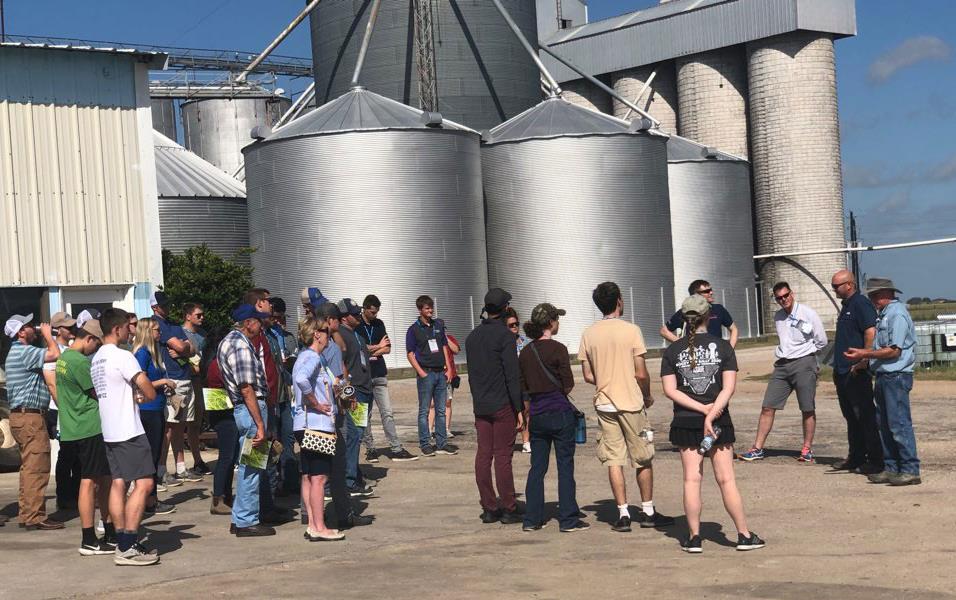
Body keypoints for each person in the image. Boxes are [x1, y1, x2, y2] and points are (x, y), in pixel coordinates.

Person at [661, 295, 765, 553]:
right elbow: (729, 388)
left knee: (691, 480)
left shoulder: (672, 350)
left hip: (685, 421)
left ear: (684, 320)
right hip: (719, 420)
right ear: (709, 316)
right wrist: (711, 413)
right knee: (726, 479)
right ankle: (743, 534)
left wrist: (699, 410)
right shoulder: (723, 347)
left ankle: (694, 537)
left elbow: (670, 391)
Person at [579, 282, 674, 532]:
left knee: (614, 459)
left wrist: (605, 378)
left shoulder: (589, 333)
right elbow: (641, 373)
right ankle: (648, 510)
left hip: (605, 402)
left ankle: (622, 513)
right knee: (642, 456)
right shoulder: (631, 330)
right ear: (619, 301)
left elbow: (588, 374)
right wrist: (647, 396)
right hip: (631, 403)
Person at [90, 308, 161, 565]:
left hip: (110, 430)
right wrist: (144, 393)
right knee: (144, 484)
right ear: (118, 329)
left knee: (118, 483)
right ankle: (128, 544)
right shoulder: (123, 356)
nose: (130, 331)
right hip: (129, 430)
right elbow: (148, 390)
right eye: (127, 327)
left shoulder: (97, 358)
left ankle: (121, 539)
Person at [518, 303, 588, 533]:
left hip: (537, 415)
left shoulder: (526, 352)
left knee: (537, 468)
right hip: (559, 412)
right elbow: (567, 384)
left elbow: (524, 387)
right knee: (565, 466)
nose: (558, 323)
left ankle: (532, 519)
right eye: (557, 319)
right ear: (550, 323)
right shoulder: (558, 349)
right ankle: (568, 519)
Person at [738, 282, 827, 463]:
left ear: (792, 293)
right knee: (767, 406)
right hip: (782, 365)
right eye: (779, 298)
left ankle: (806, 450)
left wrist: (809, 357)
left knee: (807, 408)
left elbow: (822, 340)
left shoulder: (808, 313)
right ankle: (757, 448)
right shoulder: (778, 317)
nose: (783, 300)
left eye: (786, 295)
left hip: (804, 363)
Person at [845, 277, 921, 486]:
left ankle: (909, 469)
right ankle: (891, 467)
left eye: (876, 295)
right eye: (872, 295)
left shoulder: (896, 315)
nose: (873, 299)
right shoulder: (884, 315)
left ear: (888, 294)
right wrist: (865, 362)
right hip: (884, 375)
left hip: (896, 376)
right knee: (885, 425)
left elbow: (893, 351)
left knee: (899, 425)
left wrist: (865, 353)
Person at [54, 319, 118, 554]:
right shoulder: (79, 362)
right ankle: (89, 538)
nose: (96, 350)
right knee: (92, 481)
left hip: (73, 426)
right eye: (96, 344)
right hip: (89, 426)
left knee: (96, 480)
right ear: (89, 338)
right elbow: (97, 393)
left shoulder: (63, 358)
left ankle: (103, 532)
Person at [312, 302, 373, 530]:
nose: (339, 323)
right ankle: (344, 514)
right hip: (331, 413)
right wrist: (349, 398)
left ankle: (313, 519)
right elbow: (340, 379)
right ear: (330, 321)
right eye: (336, 320)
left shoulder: (307, 346)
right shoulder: (331, 347)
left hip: (311, 416)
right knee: (338, 464)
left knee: (312, 472)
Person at [465, 288, 523, 524]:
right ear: (504, 309)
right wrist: (519, 409)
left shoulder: (472, 337)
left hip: (481, 404)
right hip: (502, 404)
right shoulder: (506, 337)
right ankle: (508, 506)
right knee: (502, 456)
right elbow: (512, 374)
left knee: (483, 455)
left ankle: (489, 506)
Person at [217, 303, 275, 537]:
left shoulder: (228, 342)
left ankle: (240, 517)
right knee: (251, 467)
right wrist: (260, 423)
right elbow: (246, 387)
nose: (261, 325)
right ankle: (245, 520)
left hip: (245, 410)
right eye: (258, 321)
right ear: (249, 323)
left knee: (248, 466)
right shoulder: (240, 345)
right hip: (251, 410)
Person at [4, 313, 62, 530]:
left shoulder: (17, 352)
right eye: (29, 326)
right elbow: (55, 354)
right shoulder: (24, 351)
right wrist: (48, 335)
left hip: (23, 417)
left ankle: (27, 513)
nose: (34, 328)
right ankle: (34, 516)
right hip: (29, 417)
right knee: (37, 467)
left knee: (29, 467)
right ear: (21, 332)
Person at [292, 317, 345, 541]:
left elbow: (331, 383)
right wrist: (314, 402)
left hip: (305, 424)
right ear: (317, 334)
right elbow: (302, 380)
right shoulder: (312, 357)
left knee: (309, 475)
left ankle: (313, 524)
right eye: (326, 331)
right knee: (320, 477)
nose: (329, 335)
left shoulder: (311, 358)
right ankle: (319, 527)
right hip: (316, 425)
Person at [242, 288, 288, 523]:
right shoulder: (250, 340)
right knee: (256, 460)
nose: (271, 306)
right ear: (259, 305)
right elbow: (250, 381)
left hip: (270, 402)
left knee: (267, 457)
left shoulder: (268, 333)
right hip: (259, 404)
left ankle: (267, 505)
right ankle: (255, 512)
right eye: (267, 302)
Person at [830, 270, 883, 474]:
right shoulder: (846, 306)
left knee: (865, 416)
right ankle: (856, 456)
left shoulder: (860, 303)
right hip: (843, 371)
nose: (834, 289)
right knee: (851, 417)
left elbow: (870, 331)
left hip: (856, 372)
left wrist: (863, 360)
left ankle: (876, 459)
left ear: (849, 285)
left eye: (836, 286)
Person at [357, 295, 417, 462]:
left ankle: (396, 448)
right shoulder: (357, 325)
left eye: (377, 312)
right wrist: (377, 347)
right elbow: (358, 350)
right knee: (364, 415)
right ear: (365, 309)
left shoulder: (379, 324)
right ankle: (370, 449)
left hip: (379, 374)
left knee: (387, 413)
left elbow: (388, 349)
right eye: (372, 312)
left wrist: (371, 351)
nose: (375, 315)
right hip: (363, 376)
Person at [150, 291, 201, 485]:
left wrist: (183, 349)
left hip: (184, 378)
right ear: (155, 307)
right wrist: (183, 349)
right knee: (170, 427)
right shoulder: (158, 324)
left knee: (180, 426)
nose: (167, 307)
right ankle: (162, 470)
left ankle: (180, 467)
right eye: (163, 305)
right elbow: (180, 347)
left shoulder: (172, 325)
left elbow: (190, 347)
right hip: (172, 380)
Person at [131, 318, 176, 516]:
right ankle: (149, 499)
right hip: (147, 409)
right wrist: (163, 381)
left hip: (156, 407)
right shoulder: (142, 353)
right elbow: (140, 380)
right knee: (150, 455)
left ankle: (151, 497)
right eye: (157, 330)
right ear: (148, 332)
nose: (160, 334)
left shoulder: (152, 353)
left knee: (155, 453)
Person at [406, 295, 458, 457]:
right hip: (426, 373)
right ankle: (425, 443)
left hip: (440, 372)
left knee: (441, 410)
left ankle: (442, 443)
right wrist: (420, 372)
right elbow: (410, 353)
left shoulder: (438, 325)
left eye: (431, 308)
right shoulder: (413, 329)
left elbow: (443, 347)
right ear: (420, 309)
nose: (430, 311)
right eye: (427, 308)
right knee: (425, 410)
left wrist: (448, 368)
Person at [336, 298, 375, 495]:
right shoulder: (340, 336)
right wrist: (347, 394)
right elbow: (340, 369)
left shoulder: (356, 334)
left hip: (366, 390)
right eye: (354, 313)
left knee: (358, 435)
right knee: (354, 436)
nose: (358, 315)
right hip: (356, 392)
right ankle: (350, 480)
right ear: (344, 318)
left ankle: (354, 474)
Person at [45, 311, 81, 510]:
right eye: (69, 327)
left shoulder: (71, 349)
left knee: (78, 455)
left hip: (74, 408)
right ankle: (64, 496)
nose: (73, 329)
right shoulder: (54, 351)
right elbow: (52, 384)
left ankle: (76, 494)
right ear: (59, 330)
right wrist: (64, 407)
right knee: (67, 454)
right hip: (59, 409)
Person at [267, 297, 301, 494]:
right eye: (276, 317)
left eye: (282, 318)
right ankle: (274, 484)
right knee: (273, 441)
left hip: (287, 394)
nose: (279, 322)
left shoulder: (288, 337)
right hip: (272, 396)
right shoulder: (266, 337)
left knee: (288, 438)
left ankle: (290, 480)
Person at [202, 328, 238, 515]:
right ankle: (218, 498)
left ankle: (225, 495)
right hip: (224, 412)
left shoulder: (212, 363)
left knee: (229, 457)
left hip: (221, 411)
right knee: (226, 457)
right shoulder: (217, 365)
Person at [661, 280, 739, 347]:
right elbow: (664, 331)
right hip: (694, 358)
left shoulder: (719, 309)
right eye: (707, 291)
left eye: (711, 290)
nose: (711, 292)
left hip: (716, 354)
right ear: (696, 295)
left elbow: (734, 329)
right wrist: (682, 345)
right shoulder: (686, 312)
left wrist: (730, 350)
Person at [181, 302, 210, 475]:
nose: (202, 318)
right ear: (188, 316)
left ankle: (197, 460)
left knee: (197, 422)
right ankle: (183, 464)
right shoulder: (179, 334)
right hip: (187, 381)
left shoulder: (204, 335)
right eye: (198, 315)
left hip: (201, 382)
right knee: (182, 424)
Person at [505, 308, 532, 454]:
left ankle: (526, 441)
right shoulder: (502, 344)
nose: (515, 327)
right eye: (511, 325)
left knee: (526, 411)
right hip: (508, 383)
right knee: (511, 413)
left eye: (516, 324)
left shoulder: (525, 342)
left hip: (524, 383)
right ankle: (509, 441)